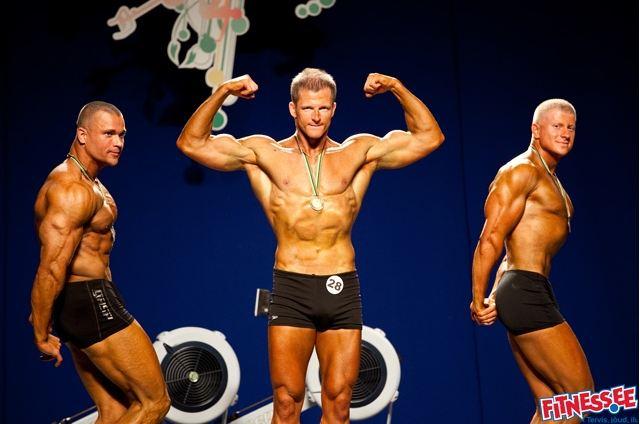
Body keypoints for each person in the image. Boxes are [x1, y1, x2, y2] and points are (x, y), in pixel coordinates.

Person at [177, 68, 444, 423]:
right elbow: (191, 143)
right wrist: (223, 91)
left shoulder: (358, 152)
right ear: (293, 109)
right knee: (287, 401)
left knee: (339, 402)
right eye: (307, 108)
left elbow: (429, 137)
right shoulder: (265, 153)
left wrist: (396, 86)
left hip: (340, 284)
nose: (315, 116)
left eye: (323, 108)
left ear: (333, 109)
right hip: (292, 286)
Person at [30, 101, 170, 423]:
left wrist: (46, 314)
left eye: (122, 135)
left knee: (115, 411)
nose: (118, 142)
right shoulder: (70, 189)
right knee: (155, 402)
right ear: (82, 135)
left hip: (81, 303)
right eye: (108, 134)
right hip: (88, 300)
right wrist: (40, 331)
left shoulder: (91, 184)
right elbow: (51, 266)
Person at [470, 99, 593, 423]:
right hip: (524, 291)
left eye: (571, 127)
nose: (565, 133)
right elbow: (491, 237)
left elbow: (513, 252)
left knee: (551, 406)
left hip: (524, 288)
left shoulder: (552, 181)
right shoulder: (522, 171)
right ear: (536, 130)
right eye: (557, 125)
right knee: (581, 397)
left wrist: (496, 293)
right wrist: (479, 298)